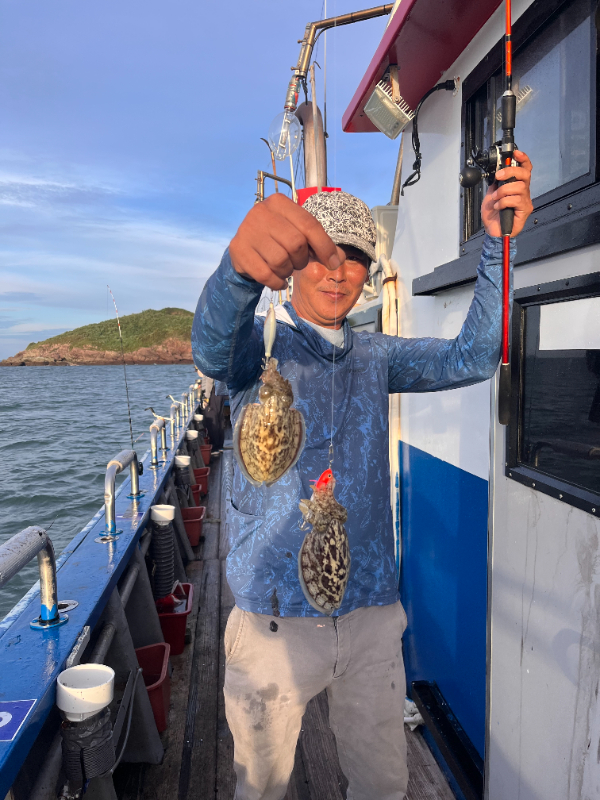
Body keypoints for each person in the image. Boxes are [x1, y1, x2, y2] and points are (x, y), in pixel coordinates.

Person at [192, 151, 533, 800]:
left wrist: (497, 244)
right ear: (292, 264)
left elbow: (473, 357)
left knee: (383, 784)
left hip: (373, 614)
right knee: (259, 787)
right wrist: (237, 270)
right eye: (320, 254)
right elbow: (211, 346)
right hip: (272, 622)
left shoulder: (377, 355)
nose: (337, 271)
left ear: (368, 274)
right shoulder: (256, 351)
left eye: (355, 258)